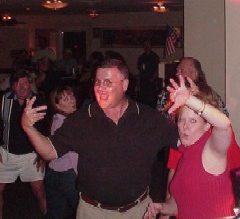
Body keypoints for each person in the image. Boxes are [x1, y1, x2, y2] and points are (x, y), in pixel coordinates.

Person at [21, 58, 178, 219]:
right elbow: (49, 152)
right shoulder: (81, 120)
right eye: (97, 82)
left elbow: (187, 144)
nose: (101, 88)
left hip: (139, 211)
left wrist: (193, 105)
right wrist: (28, 127)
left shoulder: (147, 118)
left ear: (125, 85)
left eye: (108, 82)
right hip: (93, 212)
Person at [144, 75, 240, 219]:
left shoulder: (211, 148)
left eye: (193, 121)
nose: (185, 126)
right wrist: (163, 207)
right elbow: (182, 202)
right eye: (181, 120)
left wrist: (189, 100)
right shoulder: (185, 153)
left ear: (207, 125)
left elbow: (224, 124)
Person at [0, 69, 47, 219]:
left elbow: (45, 130)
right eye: (18, 83)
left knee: (39, 191)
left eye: (25, 82)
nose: (22, 87)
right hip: (7, 153)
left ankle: (47, 215)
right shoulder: (4, 100)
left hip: (31, 155)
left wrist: (42, 154)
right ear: (13, 87)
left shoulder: (38, 101)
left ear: (30, 84)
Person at [45, 86, 79, 219]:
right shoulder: (66, 124)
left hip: (52, 174)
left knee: (55, 213)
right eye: (65, 98)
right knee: (85, 211)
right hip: (68, 176)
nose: (71, 100)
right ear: (57, 105)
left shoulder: (55, 119)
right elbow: (73, 154)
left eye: (71, 96)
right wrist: (80, 177)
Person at [156, 57, 228, 120]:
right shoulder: (167, 94)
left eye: (182, 71)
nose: (177, 74)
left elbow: (224, 117)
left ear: (194, 74)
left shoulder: (209, 94)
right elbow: (160, 120)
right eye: (177, 71)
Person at [137, 39, 160, 108]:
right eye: (145, 45)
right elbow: (139, 69)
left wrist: (152, 79)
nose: (146, 46)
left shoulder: (154, 57)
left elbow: (157, 69)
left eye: (148, 45)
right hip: (143, 81)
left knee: (151, 99)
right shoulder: (142, 57)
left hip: (151, 81)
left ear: (150, 46)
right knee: (143, 99)